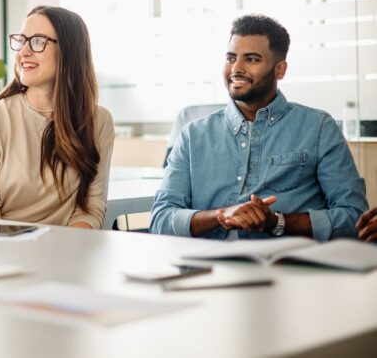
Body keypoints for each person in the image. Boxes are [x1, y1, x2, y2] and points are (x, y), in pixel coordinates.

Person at [150, 14, 367, 241]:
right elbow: (161, 219)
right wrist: (221, 215)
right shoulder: (193, 136)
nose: (237, 68)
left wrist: (277, 222)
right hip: (207, 269)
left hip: (287, 269)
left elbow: (354, 216)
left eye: (251, 59)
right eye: (231, 58)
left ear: (280, 70)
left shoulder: (318, 128)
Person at [0, 6, 114, 229]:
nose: (23, 52)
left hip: (57, 253)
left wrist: (64, 255)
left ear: (69, 51)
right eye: (21, 40)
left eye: (38, 41)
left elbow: (90, 208)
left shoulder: (98, 121)